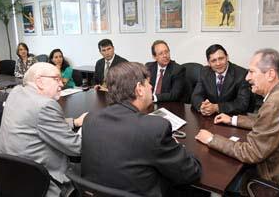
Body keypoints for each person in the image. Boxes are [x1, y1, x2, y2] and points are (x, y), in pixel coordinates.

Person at [195, 48, 279, 192]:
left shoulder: (276, 104)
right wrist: (232, 120)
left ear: (270, 74)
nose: (247, 77)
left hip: (275, 177)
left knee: (216, 177)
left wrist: (211, 139)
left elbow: (250, 153)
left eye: (252, 72)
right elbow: (268, 121)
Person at [81, 62, 201, 197]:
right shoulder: (154, 128)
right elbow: (191, 172)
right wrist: (178, 147)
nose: (151, 87)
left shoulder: (90, 119)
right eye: (148, 83)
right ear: (139, 89)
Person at [0, 62, 87, 197]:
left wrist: (74, 122)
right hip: (41, 182)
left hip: (9, 176)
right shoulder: (45, 105)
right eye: (56, 79)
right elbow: (76, 148)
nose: (61, 84)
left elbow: (35, 123)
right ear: (39, 81)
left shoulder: (16, 92)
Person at [191, 44, 251, 115]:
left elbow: (242, 103)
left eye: (221, 58)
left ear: (227, 57)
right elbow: (196, 95)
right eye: (213, 60)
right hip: (210, 117)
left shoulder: (242, 74)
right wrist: (203, 106)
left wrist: (217, 107)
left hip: (232, 117)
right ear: (208, 63)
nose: (218, 63)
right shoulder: (204, 71)